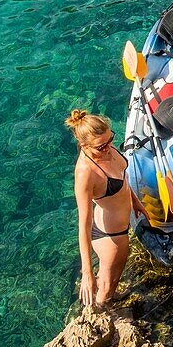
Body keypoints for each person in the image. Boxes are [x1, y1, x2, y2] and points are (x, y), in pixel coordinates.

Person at [66, 109, 148, 306]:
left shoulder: (107, 148)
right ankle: (102, 317)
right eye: (101, 146)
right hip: (111, 236)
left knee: (108, 280)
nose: (108, 147)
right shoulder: (85, 173)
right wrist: (86, 272)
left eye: (110, 139)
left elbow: (123, 179)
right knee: (107, 287)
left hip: (119, 225)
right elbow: (83, 225)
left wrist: (135, 203)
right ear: (83, 145)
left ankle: (103, 302)